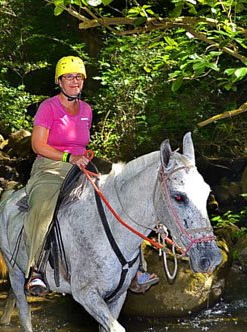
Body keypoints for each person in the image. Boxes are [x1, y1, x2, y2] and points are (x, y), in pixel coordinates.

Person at [23, 56, 158, 296]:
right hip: (50, 167)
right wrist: (68, 158)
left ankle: (136, 268)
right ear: (60, 81)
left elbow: (79, 142)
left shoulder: (86, 110)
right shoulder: (48, 107)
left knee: (119, 199)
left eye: (79, 77)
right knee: (43, 205)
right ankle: (36, 269)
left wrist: (84, 154)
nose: (75, 81)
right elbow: (37, 145)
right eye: (69, 77)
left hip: (81, 167)